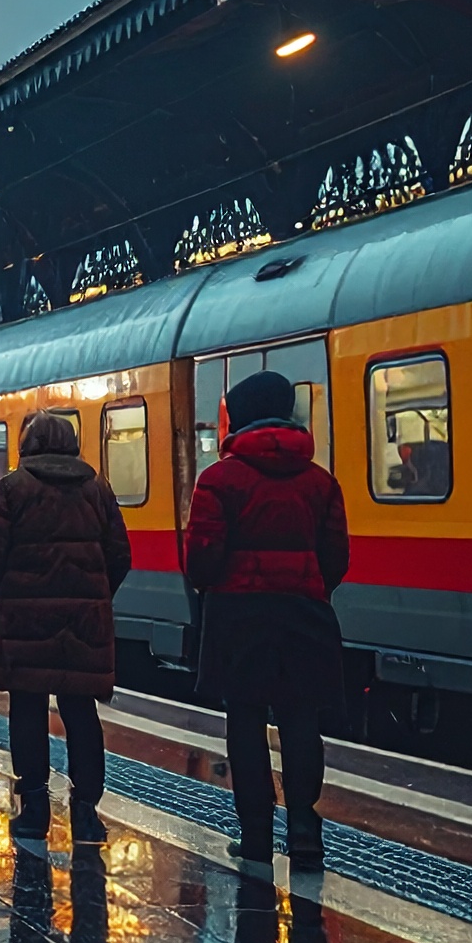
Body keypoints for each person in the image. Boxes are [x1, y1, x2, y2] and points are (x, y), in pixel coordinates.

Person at [187, 370, 348, 871]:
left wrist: (220, 585)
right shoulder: (321, 482)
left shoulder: (218, 480)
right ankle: (304, 830)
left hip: (239, 617)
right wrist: (306, 585)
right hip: (305, 611)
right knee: (301, 721)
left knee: (246, 723)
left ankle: (255, 834)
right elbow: (337, 558)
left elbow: (201, 560)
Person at [0, 411, 129, 844]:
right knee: (81, 714)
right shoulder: (98, 491)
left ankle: (34, 809)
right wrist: (93, 596)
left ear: (28, 445)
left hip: (25, 621)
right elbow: (120, 556)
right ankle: (86, 814)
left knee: (27, 711)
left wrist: (8, 596)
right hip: (84, 622)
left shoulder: (10, 490)